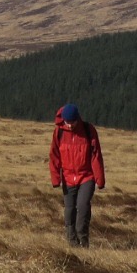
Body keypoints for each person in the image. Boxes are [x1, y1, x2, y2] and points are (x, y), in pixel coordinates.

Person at [48, 103, 105, 248]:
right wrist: (55, 178)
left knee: (83, 206)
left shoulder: (88, 130)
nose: (70, 125)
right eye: (67, 122)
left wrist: (100, 179)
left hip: (86, 177)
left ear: (77, 119)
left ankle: (83, 240)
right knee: (69, 210)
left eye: (72, 122)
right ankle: (72, 243)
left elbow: (96, 155)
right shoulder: (58, 132)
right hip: (68, 178)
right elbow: (54, 156)